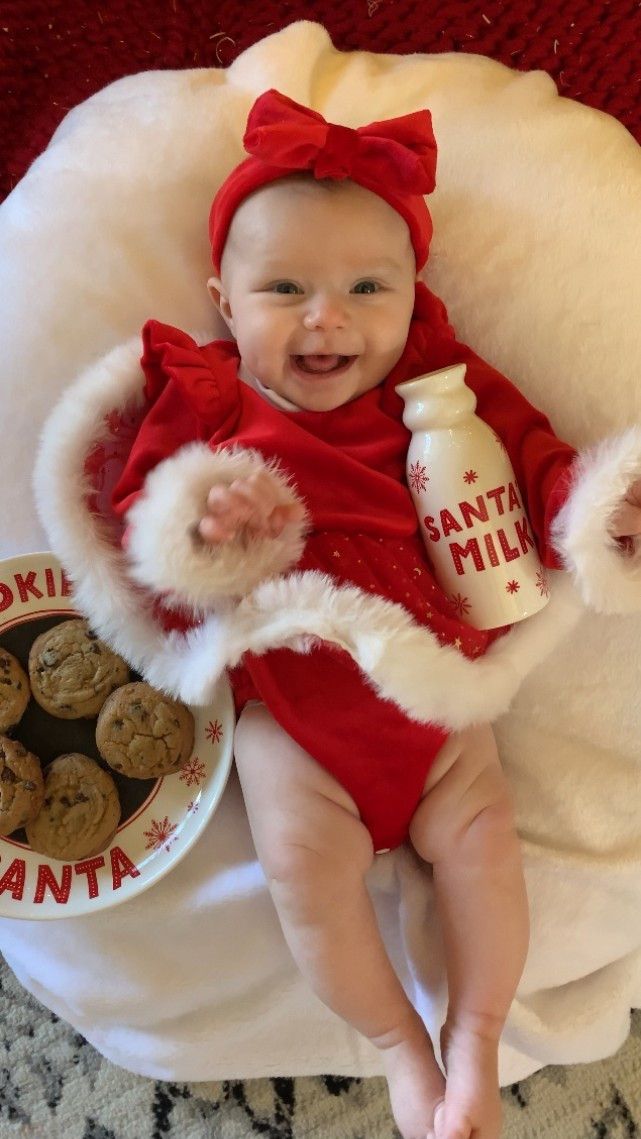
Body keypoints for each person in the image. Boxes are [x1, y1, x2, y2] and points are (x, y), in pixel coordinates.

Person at [73, 91, 641, 1139]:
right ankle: (395, 1042)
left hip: (442, 715)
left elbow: (541, 465)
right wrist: (205, 518)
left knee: (484, 848)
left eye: (365, 287)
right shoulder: (209, 403)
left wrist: (594, 506)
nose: (325, 316)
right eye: (283, 287)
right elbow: (143, 525)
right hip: (298, 726)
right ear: (224, 302)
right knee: (306, 880)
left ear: (411, 298)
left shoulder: (445, 393)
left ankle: (472, 1031)